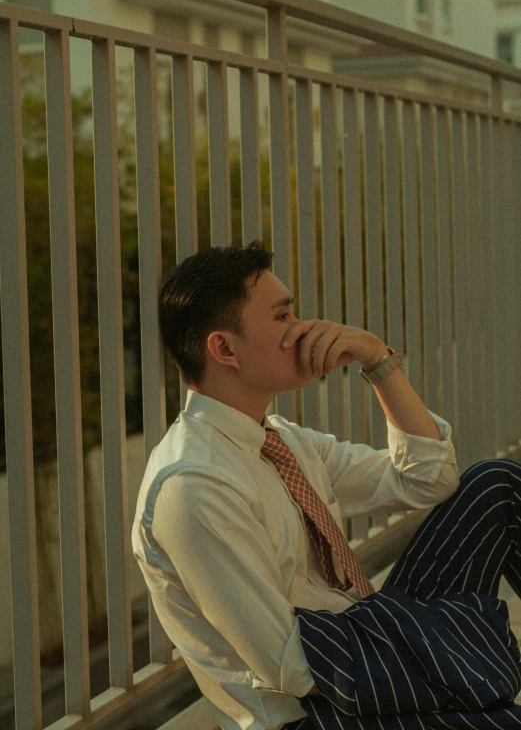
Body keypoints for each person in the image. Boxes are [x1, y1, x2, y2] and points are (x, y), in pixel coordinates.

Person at [131, 240, 521, 730]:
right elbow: (289, 666)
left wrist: (377, 360)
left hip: (365, 630)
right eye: (282, 318)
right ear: (224, 348)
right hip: (317, 713)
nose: (303, 331)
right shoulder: (193, 487)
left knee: (496, 486)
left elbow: (427, 480)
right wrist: (445, 655)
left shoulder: (280, 440)